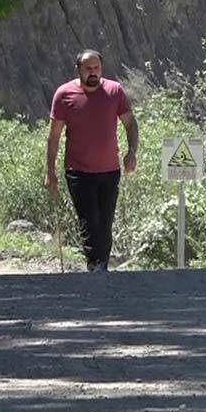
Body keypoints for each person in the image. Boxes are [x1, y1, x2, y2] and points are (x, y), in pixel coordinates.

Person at [45, 49, 138, 272]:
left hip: (109, 170)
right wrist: (50, 171)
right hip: (78, 171)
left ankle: (101, 265)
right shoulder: (64, 94)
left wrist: (132, 151)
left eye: (96, 68)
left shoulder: (114, 91)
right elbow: (54, 136)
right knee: (89, 219)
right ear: (78, 70)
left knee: (105, 221)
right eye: (88, 69)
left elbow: (130, 123)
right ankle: (95, 265)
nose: (93, 73)